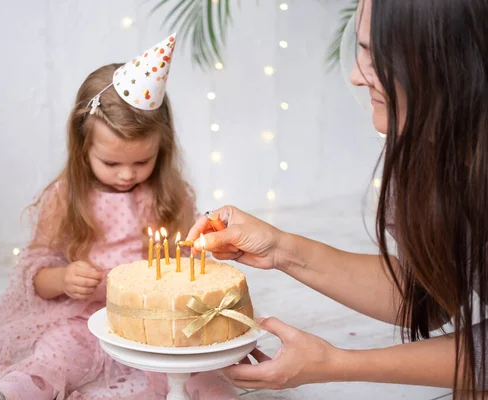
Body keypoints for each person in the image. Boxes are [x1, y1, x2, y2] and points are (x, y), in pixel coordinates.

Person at [186, 0, 488, 396]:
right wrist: (280, 248)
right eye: (363, 49)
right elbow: (427, 295)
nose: (356, 76)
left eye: (383, 58)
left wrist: (337, 364)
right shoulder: (428, 148)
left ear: (455, 61)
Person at [0, 35, 238, 400]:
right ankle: (5, 396)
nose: (126, 175)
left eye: (142, 162)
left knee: (196, 366)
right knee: (56, 357)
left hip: (158, 320)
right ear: (83, 146)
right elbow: (35, 274)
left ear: (161, 150)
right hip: (84, 317)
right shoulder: (67, 198)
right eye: (111, 163)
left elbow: (187, 259)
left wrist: (203, 250)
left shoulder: (169, 195)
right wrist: (64, 278)